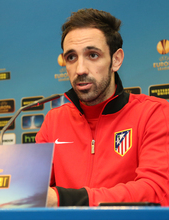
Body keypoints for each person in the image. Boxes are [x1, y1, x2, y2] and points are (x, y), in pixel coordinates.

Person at [36, 8, 169, 207]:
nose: (80, 69)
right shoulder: (53, 121)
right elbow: (32, 190)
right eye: (71, 57)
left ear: (116, 60)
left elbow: (156, 191)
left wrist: (66, 199)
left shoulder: (154, 113)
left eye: (93, 55)